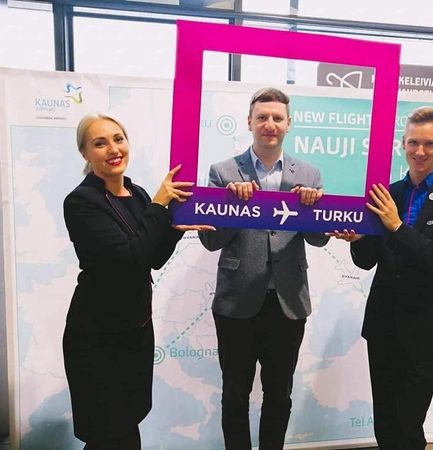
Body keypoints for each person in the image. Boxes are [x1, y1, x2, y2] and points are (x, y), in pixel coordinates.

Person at [63, 112, 213, 450]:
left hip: (136, 331)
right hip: (97, 337)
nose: (113, 149)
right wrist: (160, 205)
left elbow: (152, 258)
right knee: (108, 432)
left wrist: (174, 230)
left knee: (127, 423)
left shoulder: (139, 194)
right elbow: (129, 258)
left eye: (118, 139)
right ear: (85, 153)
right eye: (99, 143)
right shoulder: (81, 202)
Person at [330, 106, 433, 450]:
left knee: (409, 425)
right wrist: (358, 239)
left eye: (429, 144)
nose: (420, 151)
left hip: (426, 327)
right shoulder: (387, 193)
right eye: (413, 143)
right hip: (383, 323)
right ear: (403, 143)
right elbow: (368, 261)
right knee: (384, 420)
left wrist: (396, 226)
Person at [198, 87, 330, 450]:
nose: (269, 124)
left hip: (288, 303)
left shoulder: (310, 174)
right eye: (262, 117)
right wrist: (231, 205)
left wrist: (310, 210)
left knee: (279, 395)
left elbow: (319, 240)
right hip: (236, 302)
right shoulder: (223, 172)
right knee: (234, 394)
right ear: (249, 122)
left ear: (288, 124)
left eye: (276, 118)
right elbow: (210, 240)